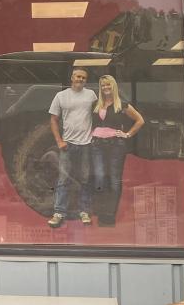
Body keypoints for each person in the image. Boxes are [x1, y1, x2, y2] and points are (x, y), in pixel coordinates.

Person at [46, 67, 98, 228]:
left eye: (83, 77)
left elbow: (99, 116)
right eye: (78, 76)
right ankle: (59, 213)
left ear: (86, 80)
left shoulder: (91, 95)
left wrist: (97, 135)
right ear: (72, 78)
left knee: (84, 179)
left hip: (86, 144)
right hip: (67, 144)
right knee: (63, 179)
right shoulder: (61, 96)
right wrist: (59, 141)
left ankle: (83, 212)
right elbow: (53, 120)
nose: (80, 79)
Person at [90, 74, 144, 227]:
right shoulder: (95, 104)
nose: (105, 88)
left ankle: (109, 216)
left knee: (114, 180)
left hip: (116, 145)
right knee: (99, 178)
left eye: (108, 85)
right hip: (97, 144)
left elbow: (140, 120)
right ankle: (101, 213)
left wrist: (127, 134)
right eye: (103, 85)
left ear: (113, 86)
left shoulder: (122, 104)